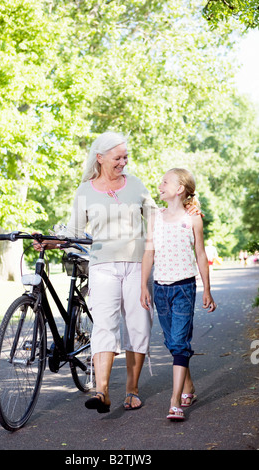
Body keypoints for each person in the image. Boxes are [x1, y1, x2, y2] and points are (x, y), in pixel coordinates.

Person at [34, 133, 199, 413]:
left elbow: (158, 215)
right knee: (104, 326)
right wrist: (50, 241)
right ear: (100, 158)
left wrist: (186, 208)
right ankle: (102, 391)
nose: (123, 162)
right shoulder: (84, 190)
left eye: (126, 157)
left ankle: (132, 390)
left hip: (136, 264)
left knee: (138, 326)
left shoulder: (134, 184)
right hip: (102, 265)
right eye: (118, 157)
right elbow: (74, 232)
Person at [140, 168, 216, 421]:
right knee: (173, 342)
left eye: (165, 182)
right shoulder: (155, 217)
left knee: (180, 342)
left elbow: (201, 255)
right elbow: (149, 253)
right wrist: (144, 286)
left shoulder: (192, 219)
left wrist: (207, 289)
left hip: (184, 287)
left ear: (180, 188)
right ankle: (189, 387)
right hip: (160, 288)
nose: (159, 185)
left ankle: (175, 402)